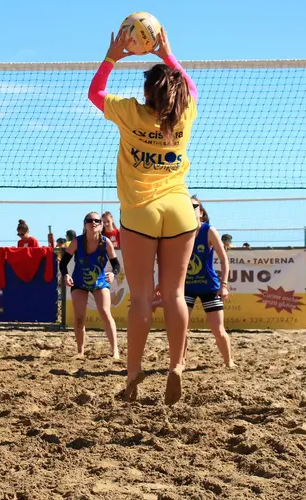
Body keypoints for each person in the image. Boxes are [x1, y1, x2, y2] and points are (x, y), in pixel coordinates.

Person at [88, 27, 199, 404]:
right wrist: (168, 54)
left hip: (141, 211)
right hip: (181, 209)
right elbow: (191, 88)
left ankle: (133, 375)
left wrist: (112, 56)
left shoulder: (130, 112)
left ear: (147, 93)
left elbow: (95, 93)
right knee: (174, 294)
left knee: (140, 299)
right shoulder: (186, 113)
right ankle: (176, 365)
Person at [59, 212, 120, 359]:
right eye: (90, 220)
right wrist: (66, 274)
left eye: (97, 221)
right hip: (79, 282)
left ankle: (115, 350)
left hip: (99, 282)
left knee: (105, 312)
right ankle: (80, 351)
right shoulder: (77, 242)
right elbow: (63, 262)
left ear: (101, 225)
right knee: (79, 317)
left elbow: (116, 264)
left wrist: (113, 274)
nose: (93, 223)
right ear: (85, 224)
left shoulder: (106, 242)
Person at [183, 197, 234, 368]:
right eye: (186, 207)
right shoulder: (180, 231)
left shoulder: (209, 231)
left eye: (194, 206)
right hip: (186, 287)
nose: (190, 209)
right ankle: (180, 362)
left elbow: (224, 259)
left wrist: (224, 285)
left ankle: (229, 362)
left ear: (201, 212)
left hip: (209, 286)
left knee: (218, 330)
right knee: (180, 327)